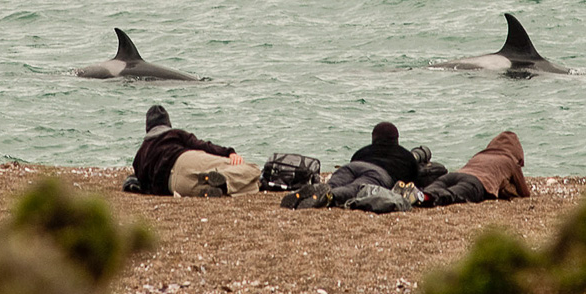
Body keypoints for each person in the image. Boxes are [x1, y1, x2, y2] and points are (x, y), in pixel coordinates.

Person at [130, 105, 260, 197]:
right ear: (167, 123)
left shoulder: (140, 155)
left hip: (172, 186)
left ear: (148, 127)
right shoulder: (174, 134)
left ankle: (215, 185)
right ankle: (224, 178)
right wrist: (229, 152)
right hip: (184, 159)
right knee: (252, 170)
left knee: (214, 188)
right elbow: (202, 145)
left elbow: (144, 186)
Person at [283, 121, 418, 209]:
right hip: (379, 173)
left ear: (374, 138)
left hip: (353, 166)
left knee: (335, 182)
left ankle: (317, 189)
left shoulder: (363, 151)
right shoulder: (406, 156)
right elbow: (414, 179)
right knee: (356, 188)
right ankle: (330, 197)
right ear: (397, 139)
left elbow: (353, 161)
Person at [421, 131, 530, 206]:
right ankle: (426, 197)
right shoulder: (510, 160)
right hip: (476, 182)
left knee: (432, 188)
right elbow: (524, 193)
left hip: (455, 174)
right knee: (452, 195)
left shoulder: (481, 154)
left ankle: (417, 195)